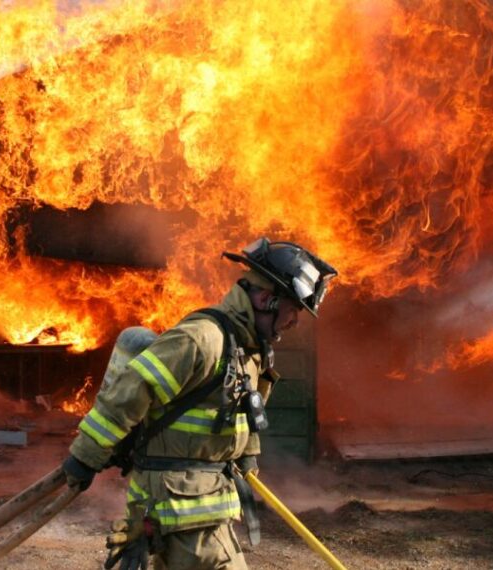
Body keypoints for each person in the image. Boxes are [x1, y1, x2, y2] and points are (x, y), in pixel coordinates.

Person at [63, 237, 338, 570]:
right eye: (293, 310)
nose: (295, 322)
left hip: (204, 502)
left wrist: (247, 456)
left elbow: (241, 411)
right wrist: (86, 456)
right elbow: (133, 389)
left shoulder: (248, 351)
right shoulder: (203, 339)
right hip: (178, 503)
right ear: (267, 299)